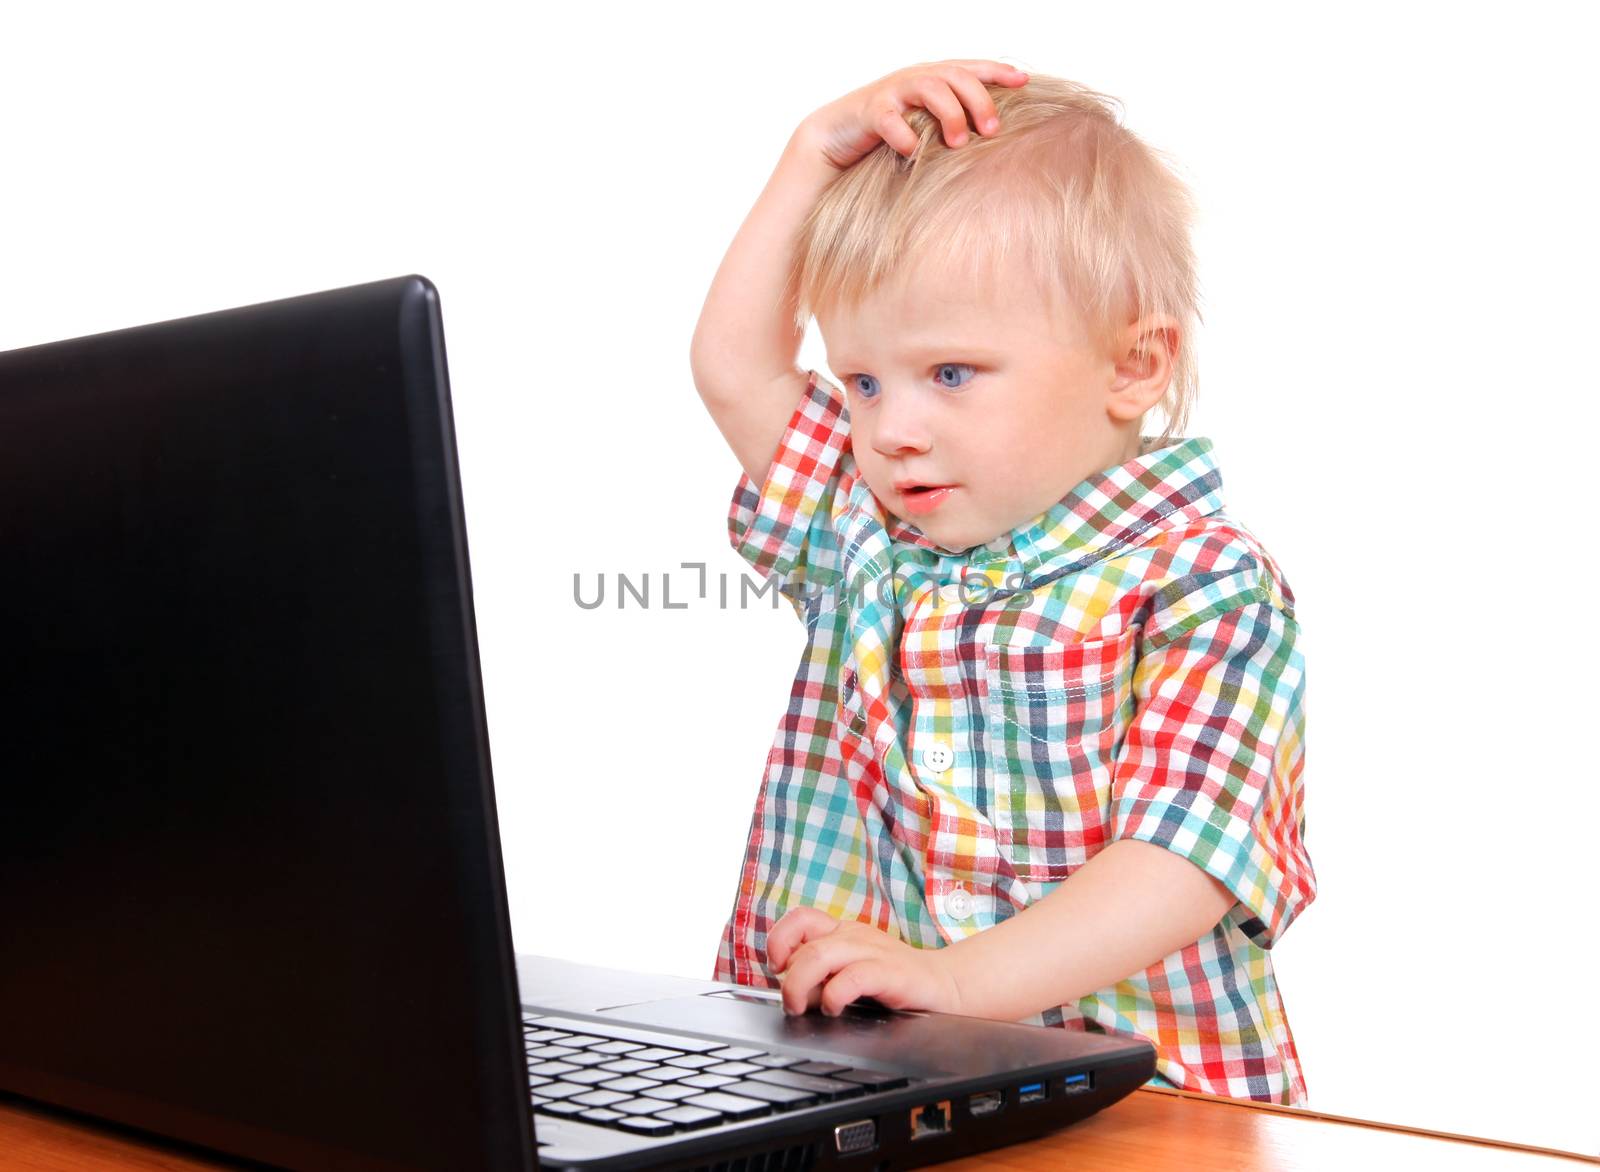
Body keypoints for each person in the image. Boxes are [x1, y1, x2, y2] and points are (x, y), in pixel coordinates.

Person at [689, 59, 1316, 1105]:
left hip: (1135, 1105)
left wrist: (951, 981)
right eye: (863, 381)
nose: (890, 428)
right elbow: (735, 367)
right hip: (865, 1090)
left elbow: (1180, 861)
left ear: (1133, 365)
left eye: (949, 374)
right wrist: (810, 151)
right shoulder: (867, 534)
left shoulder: (1205, 585)